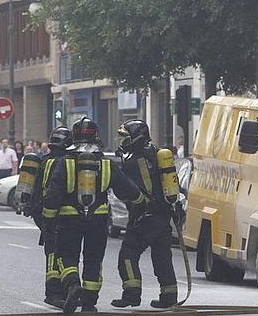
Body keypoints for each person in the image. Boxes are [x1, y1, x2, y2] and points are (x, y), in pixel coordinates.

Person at [42, 117, 146, 313]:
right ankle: (89, 300)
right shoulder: (106, 163)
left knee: (66, 256)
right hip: (98, 220)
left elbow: (53, 194)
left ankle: (73, 286)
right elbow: (127, 189)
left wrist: (48, 219)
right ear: (96, 136)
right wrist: (142, 203)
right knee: (94, 259)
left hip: (68, 219)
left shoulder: (64, 162)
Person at [111, 119, 182, 309]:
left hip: (144, 218)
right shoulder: (157, 154)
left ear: (136, 138)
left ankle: (131, 295)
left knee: (127, 255)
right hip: (163, 216)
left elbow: (127, 191)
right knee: (162, 256)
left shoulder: (134, 162)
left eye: (126, 138)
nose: (123, 142)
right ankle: (169, 296)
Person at [24, 127, 73, 309]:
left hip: (41, 212)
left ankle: (61, 290)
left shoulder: (44, 160)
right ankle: (53, 293)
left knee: (55, 250)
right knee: (55, 251)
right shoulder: (64, 162)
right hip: (53, 213)